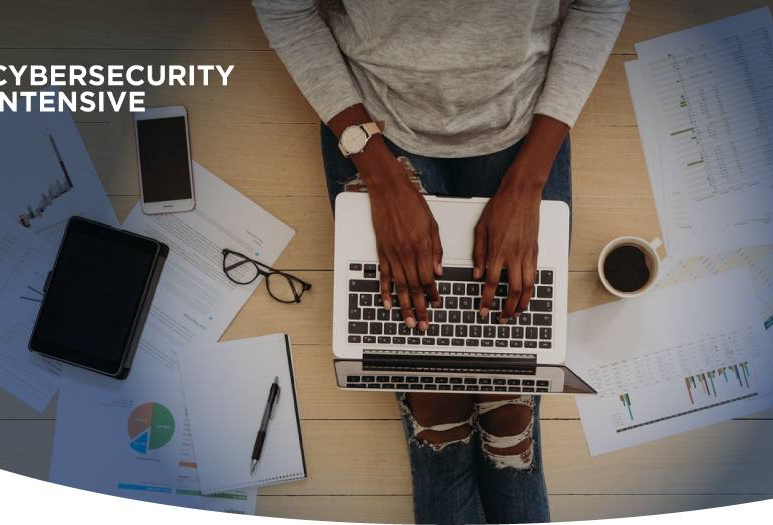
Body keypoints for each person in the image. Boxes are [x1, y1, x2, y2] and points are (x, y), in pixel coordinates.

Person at [255, 1, 627, 523]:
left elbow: (600, 5)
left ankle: (490, 416)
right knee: (435, 401)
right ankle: (440, 406)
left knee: (509, 403)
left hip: (522, 116)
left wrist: (528, 183)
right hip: (373, 120)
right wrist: (382, 179)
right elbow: (285, 11)